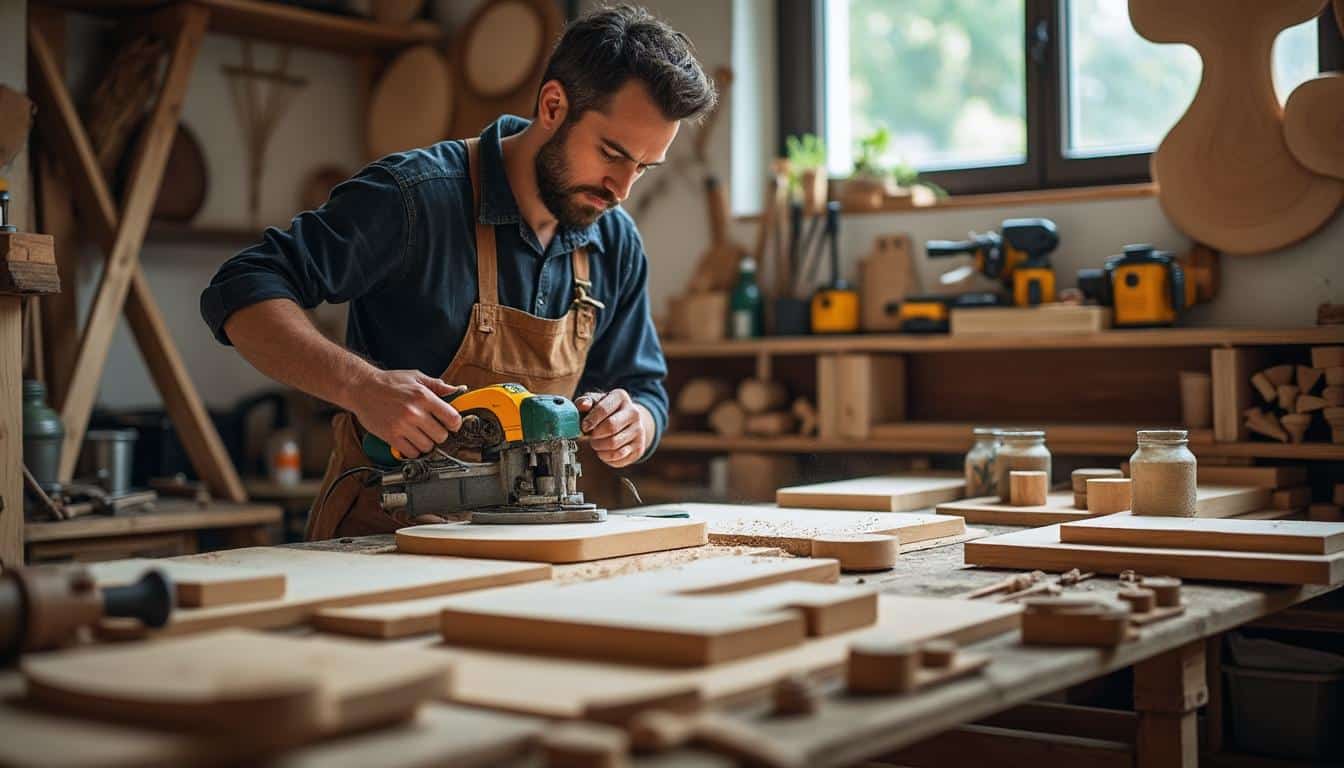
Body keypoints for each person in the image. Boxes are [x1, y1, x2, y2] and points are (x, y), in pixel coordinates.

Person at [200, 5, 717, 538]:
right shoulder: (414, 198)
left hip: (531, 545)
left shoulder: (615, 240)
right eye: (612, 153)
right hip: (381, 543)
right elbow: (241, 289)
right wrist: (362, 386)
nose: (622, 189)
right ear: (554, 105)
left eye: (643, 168)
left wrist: (637, 423)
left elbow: (644, 387)